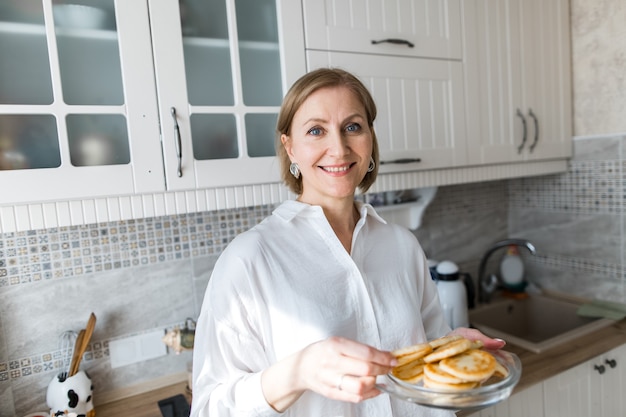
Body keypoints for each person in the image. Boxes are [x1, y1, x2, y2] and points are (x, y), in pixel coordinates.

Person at [190, 68, 505, 417]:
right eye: (316, 131)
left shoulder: (402, 246)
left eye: (352, 127)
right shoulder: (249, 260)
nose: (338, 149)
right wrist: (297, 372)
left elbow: (426, 359)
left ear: (370, 138)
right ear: (290, 147)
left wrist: (454, 347)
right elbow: (209, 408)